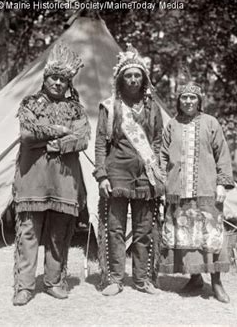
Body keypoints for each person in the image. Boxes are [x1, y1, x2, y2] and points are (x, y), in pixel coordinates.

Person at [12, 43, 90, 306]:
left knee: (59, 232)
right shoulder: (30, 103)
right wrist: (60, 129)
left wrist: (53, 141)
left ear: (68, 83)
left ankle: (54, 280)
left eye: (63, 79)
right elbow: (26, 135)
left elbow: (82, 138)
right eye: (53, 77)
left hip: (65, 179)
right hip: (33, 177)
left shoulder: (76, 108)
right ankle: (24, 286)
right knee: (29, 232)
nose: (58, 82)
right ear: (45, 79)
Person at [93, 44, 164, 296]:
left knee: (145, 229)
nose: (133, 79)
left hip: (146, 176)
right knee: (115, 229)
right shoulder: (110, 107)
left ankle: (143, 279)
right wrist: (101, 175)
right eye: (128, 75)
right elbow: (101, 142)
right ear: (120, 79)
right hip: (117, 175)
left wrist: (156, 170)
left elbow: (157, 142)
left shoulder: (152, 107)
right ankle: (114, 278)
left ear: (144, 78)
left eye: (137, 75)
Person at [159, 83, 235, 303]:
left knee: (209, 237)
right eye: (184, 97)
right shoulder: (172, 125)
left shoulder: (211, 123)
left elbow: (223, 154)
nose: (188, 101)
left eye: (192, 97)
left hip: (207, 190)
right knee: (188, 237)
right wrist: (164, 184)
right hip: (178, 192)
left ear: (199, 101)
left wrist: (222, 184)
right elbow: (163, 157)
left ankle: (217, 282)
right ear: (179, 101)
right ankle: (195, 278)